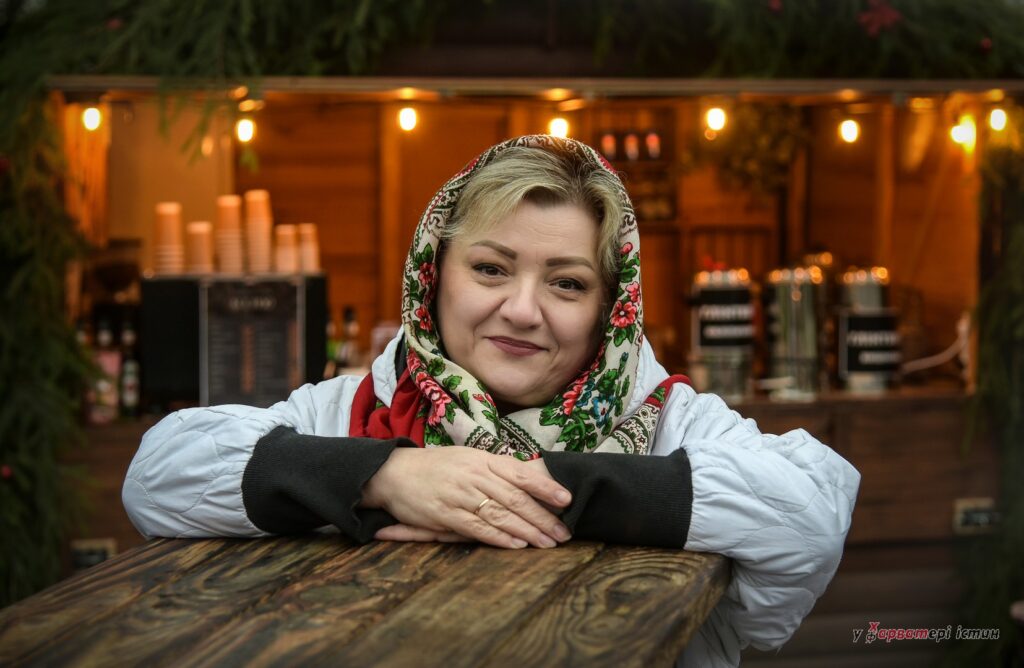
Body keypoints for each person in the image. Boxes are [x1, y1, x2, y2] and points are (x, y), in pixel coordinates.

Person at [123, 135, 860, 666]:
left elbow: (810, 514)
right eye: (491, 269)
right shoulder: (351, 412)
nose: (522, 310)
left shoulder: (670, 424)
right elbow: (159, 474)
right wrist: (388, 475)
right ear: (433, 274)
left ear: (611, 309)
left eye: (566, 283)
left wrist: (551, 488)